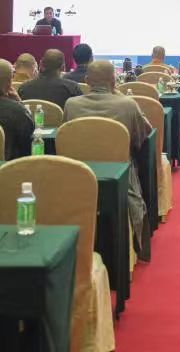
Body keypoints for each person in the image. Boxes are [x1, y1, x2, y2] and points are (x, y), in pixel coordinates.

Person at [64, 61, 151, 253]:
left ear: (87, 81)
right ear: (114, 81)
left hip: (77, 172)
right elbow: (143, 135)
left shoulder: (71, 104)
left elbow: (65, 135)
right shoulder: (127, 104)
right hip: (119, 173)